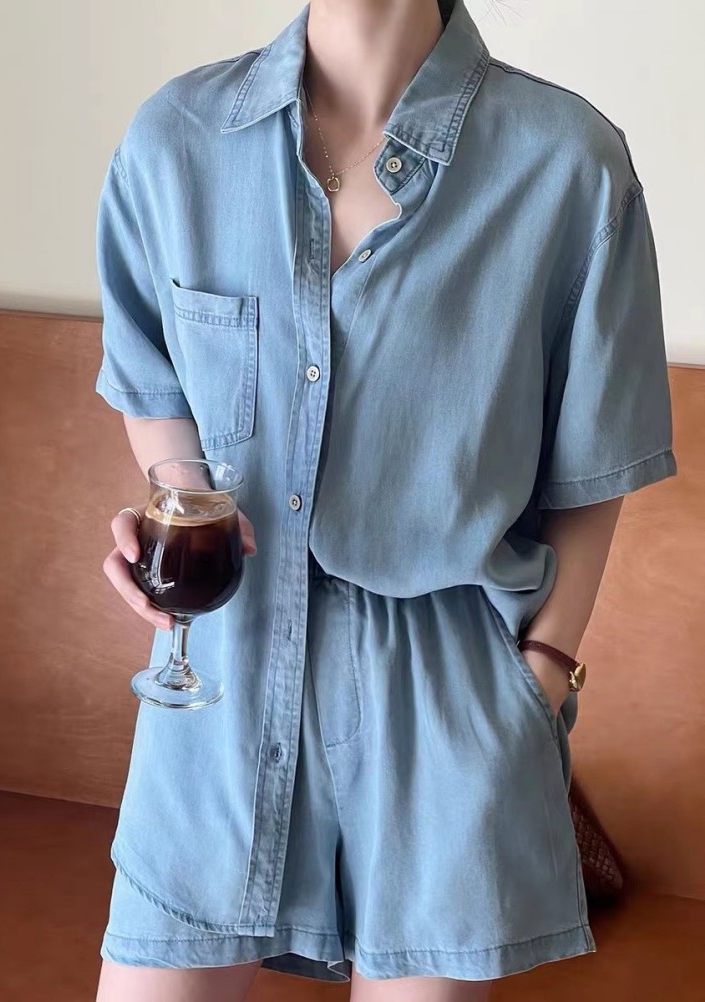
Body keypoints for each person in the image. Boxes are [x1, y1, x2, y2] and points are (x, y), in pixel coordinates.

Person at [93, 0, 677, 999]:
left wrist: (542, 674)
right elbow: (158, 394)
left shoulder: (569, 164)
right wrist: (181, 507)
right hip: (221, 685)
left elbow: (592, 469)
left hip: (445, 705)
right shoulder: (177, 138)